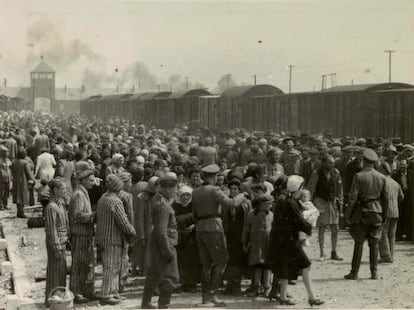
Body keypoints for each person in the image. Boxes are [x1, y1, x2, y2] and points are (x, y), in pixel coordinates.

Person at [192, 164, 246, 307]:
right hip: (214, 227)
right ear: (214, 176)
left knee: (206, 264)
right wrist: (243, 195)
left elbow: (194, 213)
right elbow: (231, 203)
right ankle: (212, 294)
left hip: (200, 228)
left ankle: (205, 297)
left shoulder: (195, 191)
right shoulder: (215, 190)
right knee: (221, 261)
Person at [266, 175, 324, 306]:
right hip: (290, 241)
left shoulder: (288, 201)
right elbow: (299, 221)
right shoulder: (292, 203)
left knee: (285, 267)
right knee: (306, 265)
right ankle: (311, 297)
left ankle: (283, 296)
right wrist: (309, 226)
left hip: (285, 240)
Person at [344, 148, 388, 280]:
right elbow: (385, 199)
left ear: (364, 161)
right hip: (377, 212)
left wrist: (347, 215)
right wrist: (384, 215)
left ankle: (354, 272)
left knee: (359, 242)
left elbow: (352, 198)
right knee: (374, 244)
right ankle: (374, 272)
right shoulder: (381, 177)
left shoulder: (359, 176)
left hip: (362, 212)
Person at [96, 174, 136, 305]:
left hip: (102, 236)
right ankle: (107, 294)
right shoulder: (116, 201)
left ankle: (113, 292)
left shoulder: (103, 198)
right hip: (112, 238)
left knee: (109, 266)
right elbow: (123, 222)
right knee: (112, 268)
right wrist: (132, 231)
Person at [141, 173, 179, 309]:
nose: (176, 191)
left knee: (154, 274)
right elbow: (162, 231)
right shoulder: (163, 206)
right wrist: (167, 251)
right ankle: (164, 305)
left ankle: (145, 304)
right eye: (175, 188)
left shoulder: (157, 199)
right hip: (164, 243)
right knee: (171, 277)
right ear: (168, 189)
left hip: (156, 243)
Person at [68, 162, 97, 303]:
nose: (94, 183)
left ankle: (86, 290)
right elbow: (78, 215)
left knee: (88, 262)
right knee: (79, 264)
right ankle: (76, 292)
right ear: (84, 180)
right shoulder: (79, 194)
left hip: (86, 233)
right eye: (91, 181)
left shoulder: (83, 192)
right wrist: (94, 215)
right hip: (80, 234)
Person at [307, 154, 344, 261]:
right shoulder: (316, 173)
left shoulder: (336, 172)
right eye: (330, 163)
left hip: (332, 203)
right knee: (322, 228)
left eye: (333, 163)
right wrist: (311, 204)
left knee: (335, 228)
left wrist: (340, 202)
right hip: (321, 202)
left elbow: (340, 188)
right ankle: (322, 253)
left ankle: (334, 251)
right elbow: (311, 189)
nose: (332, 165)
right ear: (324, 163)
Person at [223, 179, 251, 296]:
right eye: (231, 189)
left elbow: (248, 220)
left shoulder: (246, 203)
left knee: (239, 260)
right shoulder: (227, 203)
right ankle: (230, 284)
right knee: (230, 260)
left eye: (235, 189)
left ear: (240, 191)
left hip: (241, 234)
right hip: (230, 235)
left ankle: (237, 285)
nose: (233, 191)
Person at [242, 193, 273, 298]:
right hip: (255, 243)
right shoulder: (251, 214)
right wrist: (244, 242)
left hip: (267, 244)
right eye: (268, 203)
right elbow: (246, 229)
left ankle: (267, 288)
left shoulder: (271, 215)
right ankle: (256, 287)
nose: (270, 206)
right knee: (257, 266)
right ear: (261, 204)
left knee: (267, 266)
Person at [44, 177, 69, 307]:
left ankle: (58, 298)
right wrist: (57, 247)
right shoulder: (51, 207)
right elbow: (51, 230)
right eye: (63, 188)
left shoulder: (60, 204)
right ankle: (51, 300)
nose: (65, 191)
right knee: (55, 272)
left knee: (61, 271)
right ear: (55, 190)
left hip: (62, 242)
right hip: (56, 244)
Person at [173, 185, 201, 293]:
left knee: (193, 260)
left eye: (188, 195)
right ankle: (183, 283)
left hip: (192, 236)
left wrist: (194, 226)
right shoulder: (175, 206)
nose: (185, 197)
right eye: (183, 195)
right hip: (181, 237)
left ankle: (192, 283)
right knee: (182, 260)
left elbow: (199, 218)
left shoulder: (195, 205)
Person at [378, 162, 404, 263]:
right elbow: (402, 197)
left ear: (384, 170)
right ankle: (391, 255)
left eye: (380, 169)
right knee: (392, 234)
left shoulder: (382, 181)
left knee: (383, 233)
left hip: (385, 211)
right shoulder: (395, 183)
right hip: (395, 211)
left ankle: (385, 255)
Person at [11, 147, 35, 218]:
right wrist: (33, 179)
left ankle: (19, 211)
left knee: (17, 195)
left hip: (15, 180)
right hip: (23, 181)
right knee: (22, 195)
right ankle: (21, 212)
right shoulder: (25, 162)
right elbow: (29, 173)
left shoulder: (14, 162)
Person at [0, 145, 11, 210]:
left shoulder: (8, 160)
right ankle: (1, 205)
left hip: (8, 178)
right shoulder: (0, 160)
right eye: (5, 152)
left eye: (7, 152)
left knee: (6, 192)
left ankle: (5, 204)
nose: (7, 153)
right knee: (1, 192)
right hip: (1, 179)